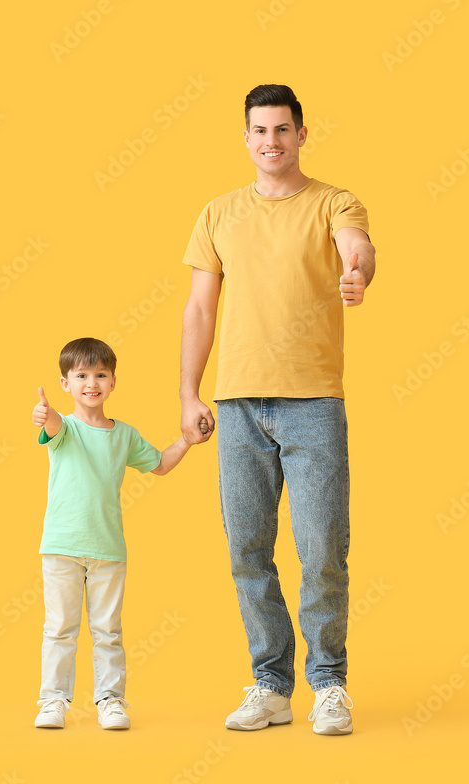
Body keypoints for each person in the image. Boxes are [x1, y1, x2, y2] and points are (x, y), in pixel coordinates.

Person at [179, 84, 376, 735]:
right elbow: (200, 309)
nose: (271, 142)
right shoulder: (218, 213)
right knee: (247, 549)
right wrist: (189, 392)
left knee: (322, 545)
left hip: (313, 401)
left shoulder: (332, 201)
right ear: (246, 138)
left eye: (282, 130)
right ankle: (270, 682)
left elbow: (357, 247)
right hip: (237, 405)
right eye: (259, 131)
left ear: (301, 134)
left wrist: (357, 269)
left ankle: (328, 683)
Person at [32, 337, 192, 730]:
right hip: (61, 547)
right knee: (59, 628)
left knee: (108, 630)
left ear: (113, 382)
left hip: (108, 550)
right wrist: (45, 412)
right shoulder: (65, 429)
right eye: (81, 375)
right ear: (66, 383)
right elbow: (51, 425)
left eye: (100, 375)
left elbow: (160, 464)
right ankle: (52, 701)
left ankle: (111, 700)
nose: (92, 383)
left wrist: (188, 439)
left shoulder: (125, 436)